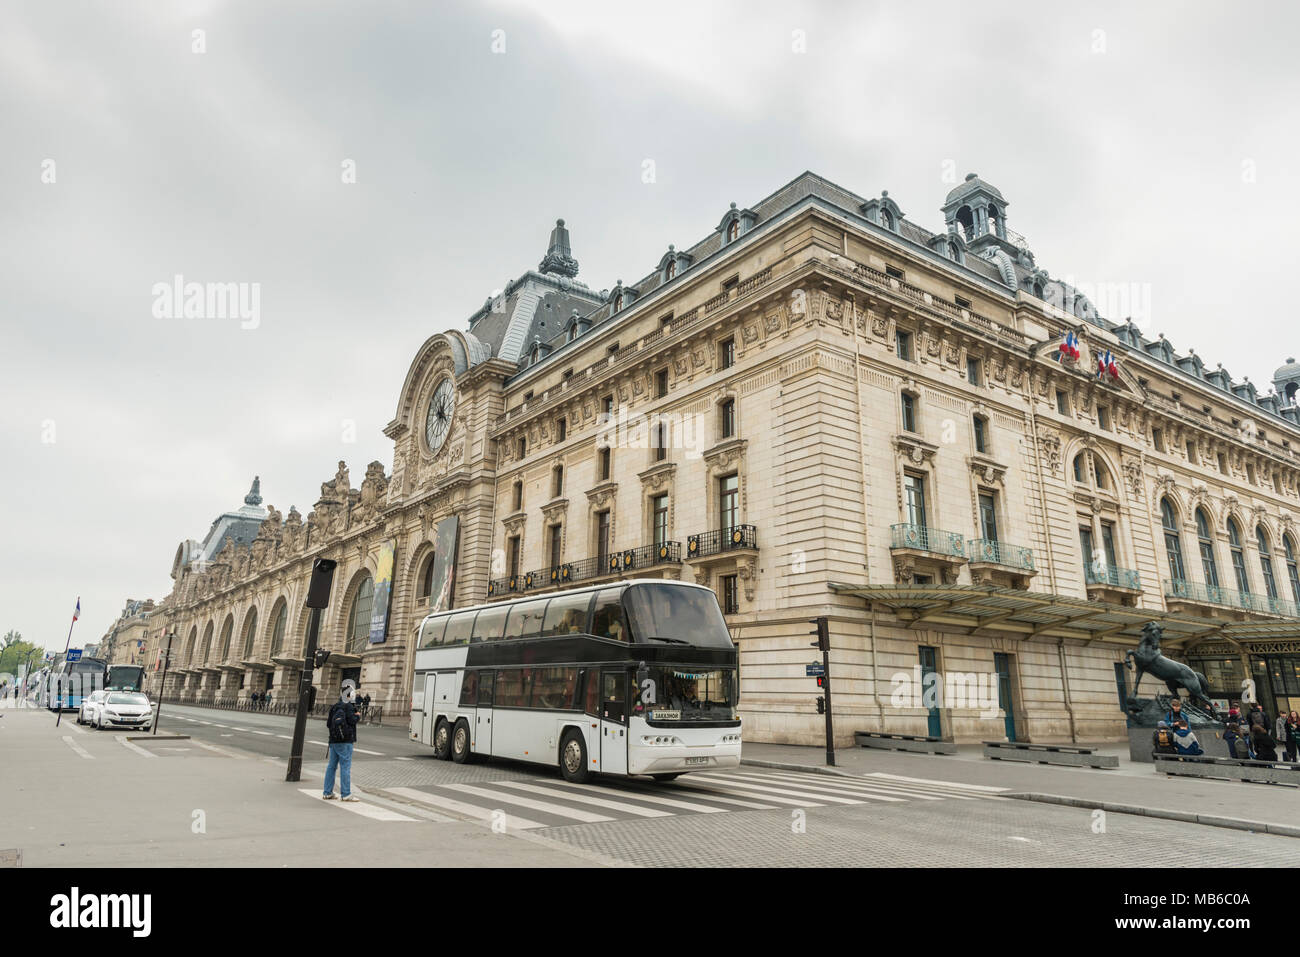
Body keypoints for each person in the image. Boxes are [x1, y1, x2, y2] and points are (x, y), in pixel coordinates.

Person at [322, 686, 360, 802]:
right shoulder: (348, 706)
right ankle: (346, 794)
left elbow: (329, 724)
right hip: (345, 741)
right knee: (345, 767)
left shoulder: (335, 706)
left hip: (333, 741)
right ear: (349, 695)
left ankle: (327, 792)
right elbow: (352, 720)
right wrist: (357, 715)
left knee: (331, 766)